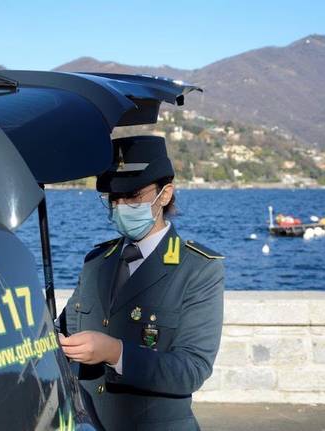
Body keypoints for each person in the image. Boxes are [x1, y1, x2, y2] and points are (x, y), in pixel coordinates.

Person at [57, 135, 224, 431]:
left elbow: (192, 369)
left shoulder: (197, 269)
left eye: (133, 196)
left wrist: (116, 353)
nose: (121, 206)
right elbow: (64, 328)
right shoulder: (96, 262)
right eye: (114, 198)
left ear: (166, 194)